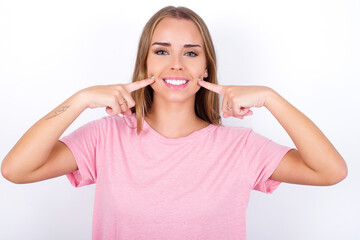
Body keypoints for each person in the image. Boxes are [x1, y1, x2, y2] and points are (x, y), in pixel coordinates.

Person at [1, 5, 347, 240]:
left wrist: (272, 98)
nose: (176, 64)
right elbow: (16, 170)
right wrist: (78, 100)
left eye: (191, 53)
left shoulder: (240, 148)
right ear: (146, 64)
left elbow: (330, 172)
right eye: (162, 51)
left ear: (205, 68)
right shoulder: (106, 137)